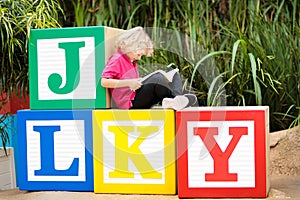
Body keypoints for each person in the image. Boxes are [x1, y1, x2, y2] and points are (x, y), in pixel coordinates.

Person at [101, 26, 197, 110]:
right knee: (157, 78)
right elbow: (104, 82)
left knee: (174, 74)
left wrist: (138, 81)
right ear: (130, 46)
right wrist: (129, 83)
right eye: (139, 54)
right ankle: (176, 100)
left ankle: (176, 100)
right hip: (129, 103)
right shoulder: (117, 59)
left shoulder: (132, 61)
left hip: (137, 96)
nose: (139, 58)